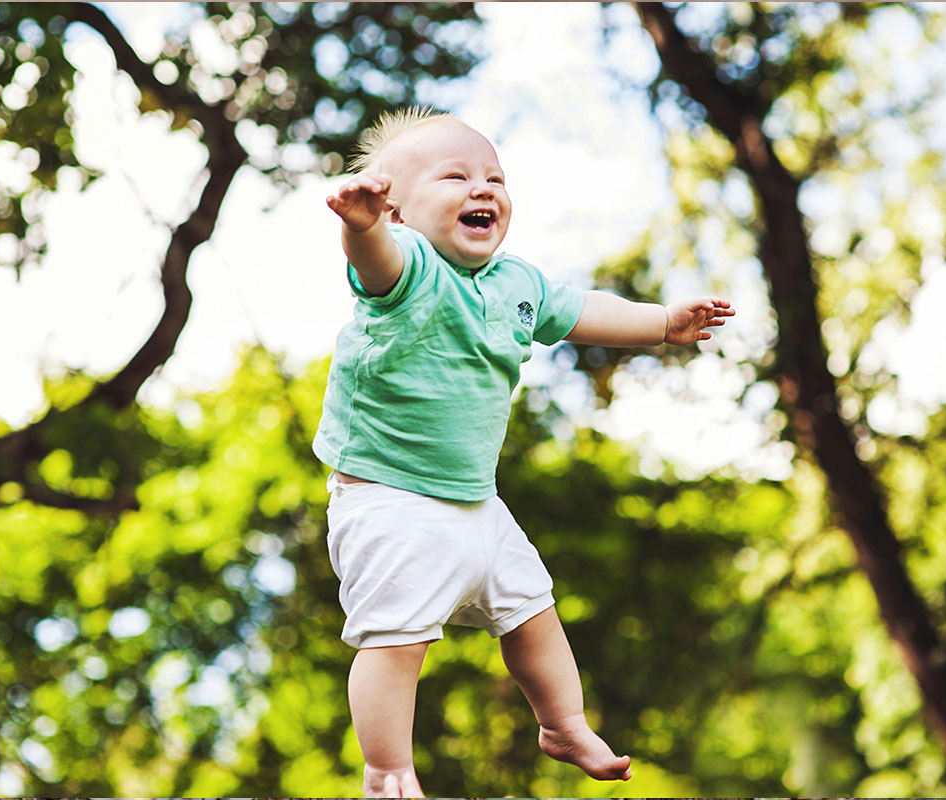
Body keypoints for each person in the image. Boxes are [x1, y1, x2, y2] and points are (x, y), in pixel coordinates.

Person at [314, 106, 734, 797]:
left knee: (534, 611)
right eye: (455, 177)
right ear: (399, 211)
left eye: (495, 178)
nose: (483, 189)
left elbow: (585, 311)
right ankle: (387, 768)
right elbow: (377, 263)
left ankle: (563, 723)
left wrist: (662, 323)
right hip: (390, 500)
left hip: (477, 503)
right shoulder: (408, 267)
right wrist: (360, 228)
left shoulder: (517, 284)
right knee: (396, 641)